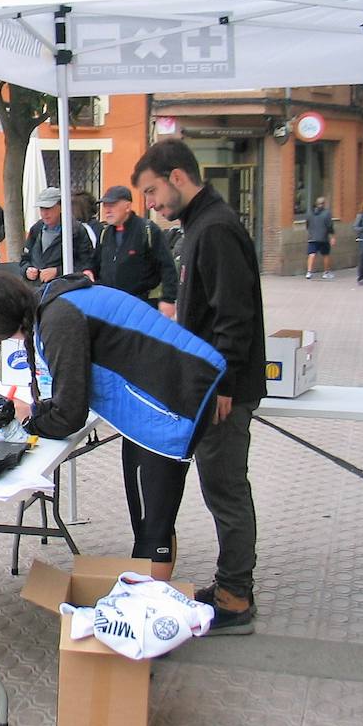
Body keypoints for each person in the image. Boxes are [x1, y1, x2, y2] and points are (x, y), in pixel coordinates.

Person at [0, 271, 222, 581]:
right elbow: (72, 395)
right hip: (163, 402)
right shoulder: (56, 302)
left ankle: (149, 611)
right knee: (150, 518)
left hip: (171, 406)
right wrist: (35, 411)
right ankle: (148, 595)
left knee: (153, 526)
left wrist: (29, 419)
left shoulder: (58, 319)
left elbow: (69, 414)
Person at [133, 139, 265, 636]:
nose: (151, 203)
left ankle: (235, 594)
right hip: (210, 384)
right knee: (220, 487)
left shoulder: (215, 229)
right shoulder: (197, 228)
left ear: (178, 177)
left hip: (222, 390)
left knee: (226, 488)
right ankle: (229, 582)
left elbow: (235, 316)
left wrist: (224, 384)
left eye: (152, 191)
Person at [93, 185, 178, 317]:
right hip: (110, 307)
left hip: (142, 307)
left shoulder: (147, 230)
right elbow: (95, 264)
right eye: (105, 205)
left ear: (127, 206)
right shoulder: (105, 233)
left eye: (112, 205)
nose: (107, 210)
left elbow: (167, 266)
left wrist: (168, 299)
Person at [20, 187, 96, 284]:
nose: (44, 213)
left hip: (62, 288)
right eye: (41, 208)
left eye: (48, 208)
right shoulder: (36, 228)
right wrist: (27, 270)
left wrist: (58, 271)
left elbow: (86, 264)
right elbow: (24, 259)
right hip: (35, 289)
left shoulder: (76, 231)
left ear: (61, 207)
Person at [305, 196, 335, 279]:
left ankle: (309, 272)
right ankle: (326, 272)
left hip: (312, 237)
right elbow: (330, 226)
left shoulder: (310, 212)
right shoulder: (327, 213)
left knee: (312, 254)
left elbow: (307, 224)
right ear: (324, 204)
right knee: (326, 255)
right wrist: (332, 236)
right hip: (323, 237)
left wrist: (310, 232)